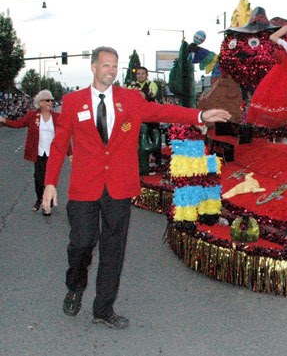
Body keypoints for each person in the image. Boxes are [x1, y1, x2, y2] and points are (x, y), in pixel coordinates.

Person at [41, 46, 231, 330]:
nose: (111, 70)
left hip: (118, 187)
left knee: (113, 249)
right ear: (93, 67)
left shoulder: (129, 99)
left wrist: (200, 116)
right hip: (84, 187)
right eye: (106, 65)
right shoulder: (72, 102)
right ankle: (75, 286)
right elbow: (58, 147)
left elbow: (163, 110)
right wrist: (50, 184)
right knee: (81, 243)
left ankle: (103, 308)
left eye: (114, 66)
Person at [0, 90, 72, 214]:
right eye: (48, 100)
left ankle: (46, 205)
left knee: (50, 179)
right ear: (41, 102)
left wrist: (70, 153)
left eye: (52, 100)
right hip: (38, 152)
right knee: (39, 179)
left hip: (53, 154)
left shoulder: (56, 117)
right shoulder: (32, 115)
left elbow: (63, 137)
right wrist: (4, 121)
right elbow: (18, 124)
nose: (51, 102)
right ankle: (40, 199)